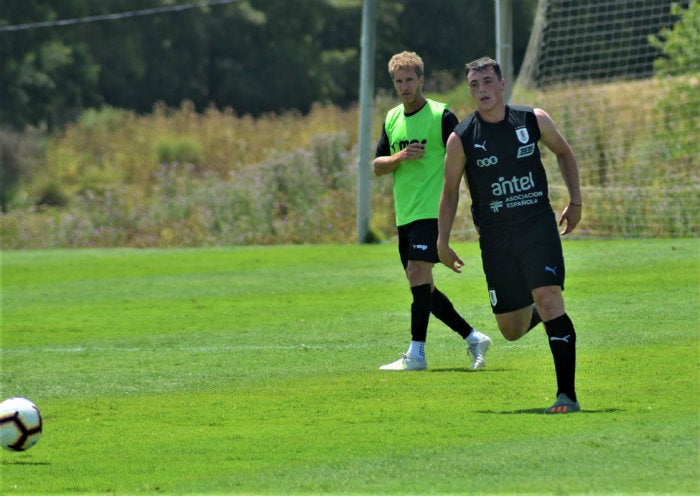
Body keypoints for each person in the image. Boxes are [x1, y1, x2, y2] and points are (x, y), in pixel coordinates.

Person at [437, 56, 582, 413]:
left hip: (537, 228)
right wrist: (442, 241)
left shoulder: (534, 119)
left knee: (550, 301)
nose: (482, 90)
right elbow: (450, 191)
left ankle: (567, 395)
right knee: (511, 330)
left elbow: (564, 152)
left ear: (502, 84)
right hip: (497, 239)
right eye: (474, 85)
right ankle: (543, 309)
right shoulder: (462, 138)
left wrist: (575, 201)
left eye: (487, 82)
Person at [373, 51, 492, 372]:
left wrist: (478, 201)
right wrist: (400, 158)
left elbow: (465, 158)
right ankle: (473, 337)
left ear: (421, 80)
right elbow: (377, 165)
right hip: (405, 215)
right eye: (398, 81)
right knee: (422, 286)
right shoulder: (392, 118)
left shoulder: (441, 116)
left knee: (417, 274)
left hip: (432, 210)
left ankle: (417, 354)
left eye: (410, 79)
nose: (404, 86)